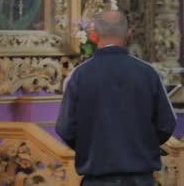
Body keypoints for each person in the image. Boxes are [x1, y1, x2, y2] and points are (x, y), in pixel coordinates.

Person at [56, 10, 176, 186]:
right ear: (129, 34)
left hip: (97, 179)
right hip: (140, 178)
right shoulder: (148, 73)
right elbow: (167, 123)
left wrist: (91, 147)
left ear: (94, 35)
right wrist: (143, 144)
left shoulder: (79, 75)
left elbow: (65, 128)